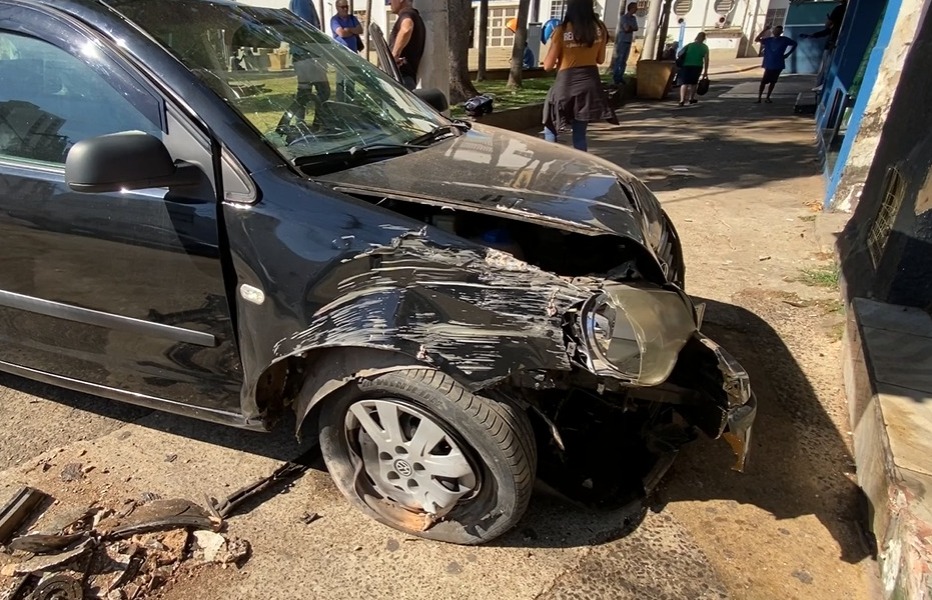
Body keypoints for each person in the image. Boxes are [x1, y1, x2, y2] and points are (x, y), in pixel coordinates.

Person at [541, 0, 618, 152]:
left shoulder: (561, 30)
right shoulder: (599, 28)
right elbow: (600, 59)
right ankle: (580, 167)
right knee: (580, 134)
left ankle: (550, 160)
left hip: (566, 83)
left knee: (550, 125)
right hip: (590, 84)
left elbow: (547, 66)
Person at [801, 0, 847, 89]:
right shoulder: (844, 14)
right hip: (836, 42)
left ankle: (823, 85)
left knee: (825, 68)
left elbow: (827, 27)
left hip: (833, 43)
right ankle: (823, 85)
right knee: (827, 68)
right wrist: (814, 35)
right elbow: (827, 31)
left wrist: (828, 21)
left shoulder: (839, 9)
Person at [388, 0, 425, 90]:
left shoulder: (407, 13)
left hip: (402, 79)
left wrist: (394, 56)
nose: (389, 2)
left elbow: (406, 29)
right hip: (405, 79)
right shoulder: (414, 16)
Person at [755, 25, 797, 103]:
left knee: (773, 82)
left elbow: (795, 44)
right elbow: (757, 39)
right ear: (773, 31)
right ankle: (759, 98)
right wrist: (765, 30)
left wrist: (788, 54)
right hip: (769, 64)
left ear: (781, 32)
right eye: (775, 31)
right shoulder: (768, 40)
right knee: (764, 81)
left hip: (778, 64)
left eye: (779, 31)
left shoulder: (784, 40)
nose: (776, 32)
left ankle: (767, 97)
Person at [676, 32, 709, 106]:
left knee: (684, 83)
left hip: (686, 65)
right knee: (693, 83)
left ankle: (682, 100)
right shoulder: (704, 47)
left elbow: (679, 54)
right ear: (704, 38)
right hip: (697, 66)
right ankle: (691, 98)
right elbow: (706, 60)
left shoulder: (689, 45)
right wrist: (705, 71)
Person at [611, 2, 638, 85]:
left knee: (624, 60)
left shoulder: (633, 18)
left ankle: (620, 76)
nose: (636, 9)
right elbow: (626, 29)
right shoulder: (624, 18)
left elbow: (636, 28)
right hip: (622, 40)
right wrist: (630, 28)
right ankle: (616, 77)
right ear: (631, 8)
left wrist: (630, 28)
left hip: (628, 40)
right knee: (619, 59)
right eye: (635, 8)